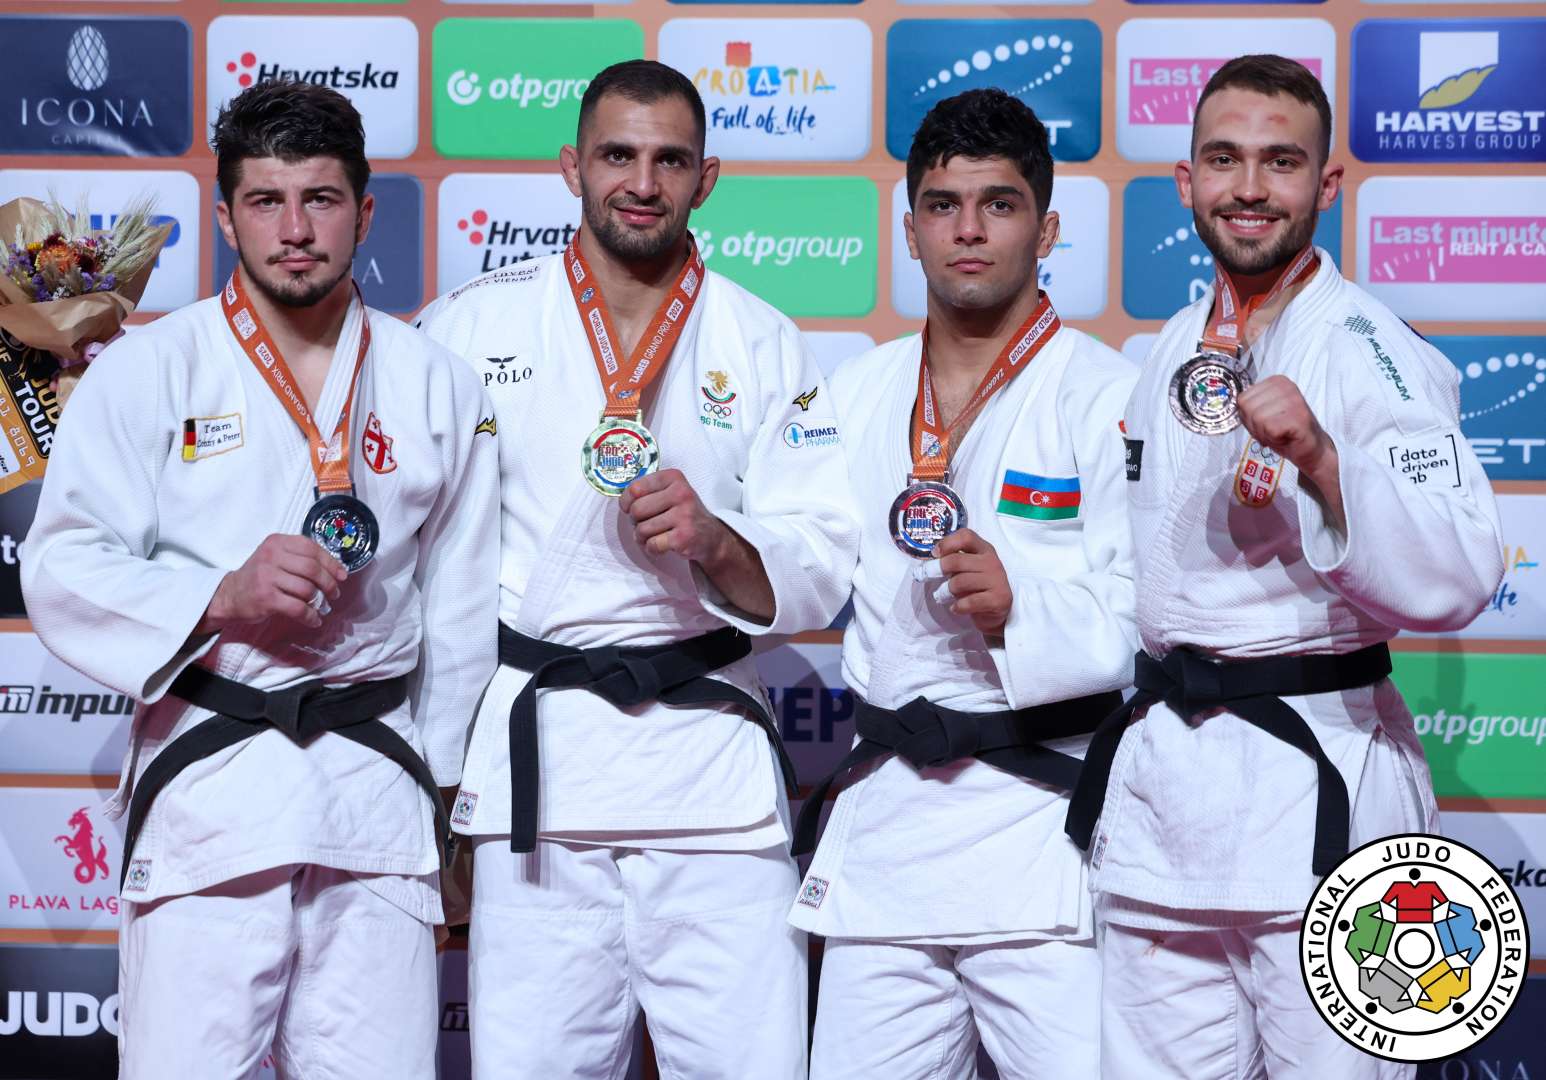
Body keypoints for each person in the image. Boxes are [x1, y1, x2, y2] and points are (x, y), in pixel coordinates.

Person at [20, 80, 499, 1078]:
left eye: (321, 200)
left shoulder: (433, 382)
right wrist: (215, 596)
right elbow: (64, 560)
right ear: (226, 214)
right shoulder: (150, 371)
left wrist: (449, 802)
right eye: (266, 201)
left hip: (375, 797)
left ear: (366, 213)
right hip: (213, 787)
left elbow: (458, 610)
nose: (294, 230)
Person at [1062, 55, 1505, 1079]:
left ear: (1327, 185)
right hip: (1169, 801)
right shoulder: (1173, 346)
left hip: (1318, 793)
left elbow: (1459, 574)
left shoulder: (1367, 349)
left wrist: (1321, 461)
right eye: (1223, 160)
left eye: (1280, 162)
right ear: (1184, 182)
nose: (1249, 188)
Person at [413, 59, 858, 1079]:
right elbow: (422, 568)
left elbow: (825, 558)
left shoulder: (761, 339)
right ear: (570, 163)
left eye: (670, 160)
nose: (642, 182)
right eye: (618, 154)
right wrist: (436, 783)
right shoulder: (470, 327)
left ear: (708, 178)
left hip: (709, 778)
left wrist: (718, 541)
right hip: (541, 785)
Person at [790, 88, 1137, 1078]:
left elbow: (1151, 615)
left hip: (1043, 829)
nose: (969, 229)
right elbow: (793, 565)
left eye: (999, 203)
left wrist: (1022, 604)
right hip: (891, 826)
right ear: (908, 228)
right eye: (943, 205)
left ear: (1048, 226)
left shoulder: (1108, 396)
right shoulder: (848, 395)